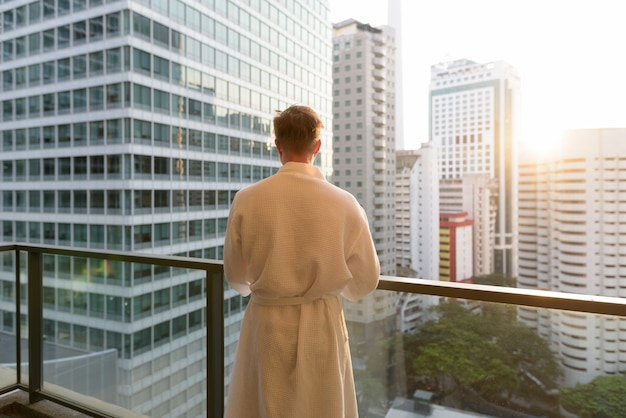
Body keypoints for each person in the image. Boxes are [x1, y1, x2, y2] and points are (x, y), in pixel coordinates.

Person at [223, 105, 380, 418]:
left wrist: (252, 287)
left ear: (278, 146)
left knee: (265, 404)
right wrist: (338, 291)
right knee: (321, 406)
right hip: (322, 324)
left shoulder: (247, 199)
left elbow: (235, 275)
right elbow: (367, 279)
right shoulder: (345, 203)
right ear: (317, 147)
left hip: (266, 322)